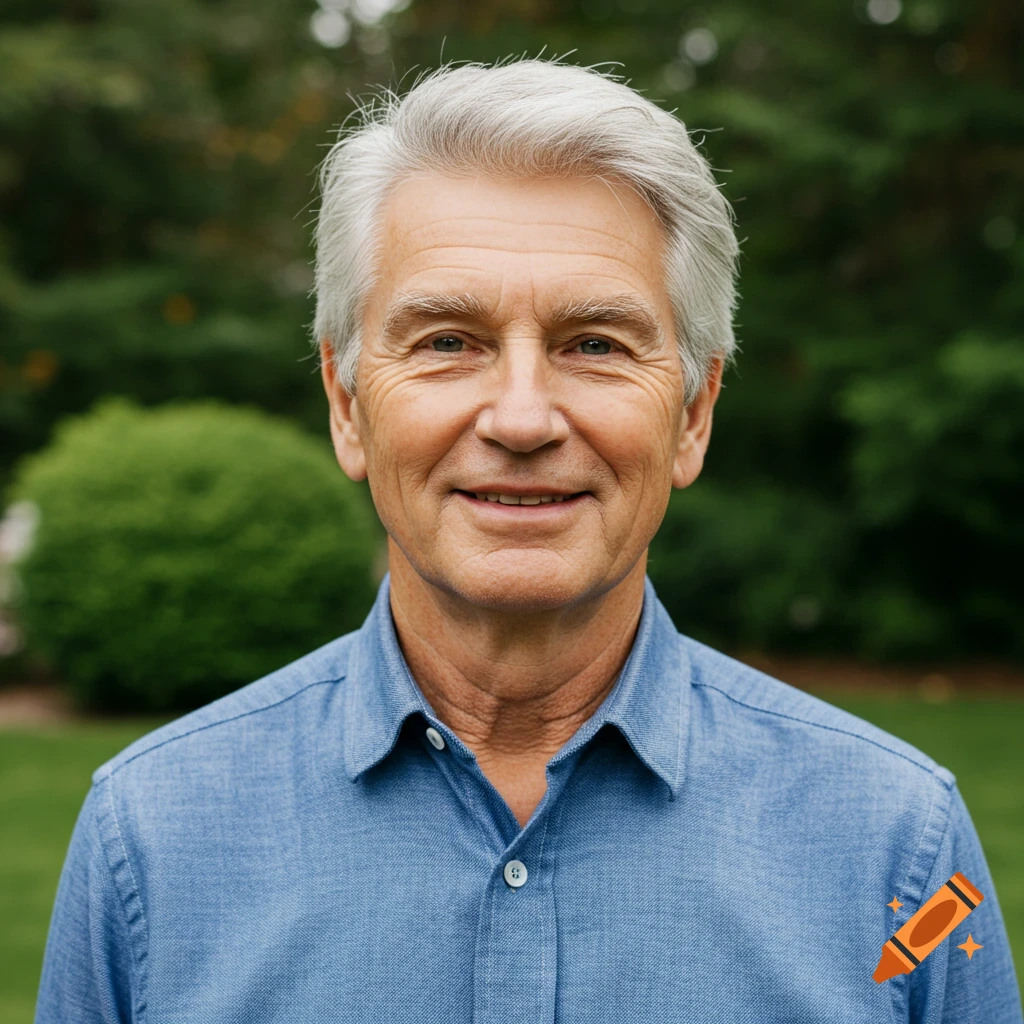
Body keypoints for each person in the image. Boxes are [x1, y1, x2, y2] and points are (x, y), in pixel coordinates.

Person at [35, 59, 1021, 1024]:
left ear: (693, 412)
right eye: (446, 341)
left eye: (593, 343)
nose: (519, 417)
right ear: (345, 404)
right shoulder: (152, 836)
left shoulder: (901, 848)